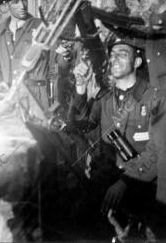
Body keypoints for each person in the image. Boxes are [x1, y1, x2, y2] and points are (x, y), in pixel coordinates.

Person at [68, 38, 159, 239]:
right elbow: (80, 126)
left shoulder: (153, 98)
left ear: (137, 62)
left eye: (123, 54)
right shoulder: (106, 99)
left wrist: (125, 182)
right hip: (105, 182)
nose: (114, 58)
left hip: (139, 186)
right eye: (112, 54)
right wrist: (81, 88)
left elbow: (158, 151)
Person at [116, 0, 166, 238]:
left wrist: (103, 16)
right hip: (161, 117)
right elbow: (129, 34)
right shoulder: (152, 32)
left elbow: (145, 28)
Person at [0, 0, 51, 109]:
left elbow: (59, 60)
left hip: (35, 98)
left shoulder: (42, 27)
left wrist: (66, 56)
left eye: (24, 0)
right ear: (7, 6)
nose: (22, 6)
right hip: (8, 99)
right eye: (16, 2)